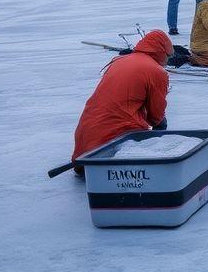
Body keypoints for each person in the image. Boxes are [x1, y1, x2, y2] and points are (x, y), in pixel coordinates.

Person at [71, 30, 172, 174]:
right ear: (163, 52)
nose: (168, 61)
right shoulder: (156, 71)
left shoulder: (119, 61)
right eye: (169, 56)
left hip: (84, 145)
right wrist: (162, 128)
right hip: (111, 145)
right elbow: (155, 117)